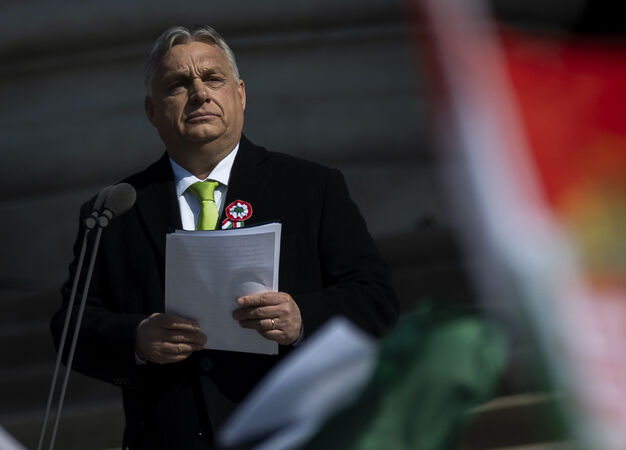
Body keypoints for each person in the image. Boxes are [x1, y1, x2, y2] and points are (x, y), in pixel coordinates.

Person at [51, 24, 399, 450]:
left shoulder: (310, 189)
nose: (199, 93)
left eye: (212, 78)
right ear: (152, 110)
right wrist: (137, 338)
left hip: (294, 435)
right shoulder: (117, 209)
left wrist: (301, 318)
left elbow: (376, 299)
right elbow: (71, 325)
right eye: (178, 84)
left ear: (240, 94)